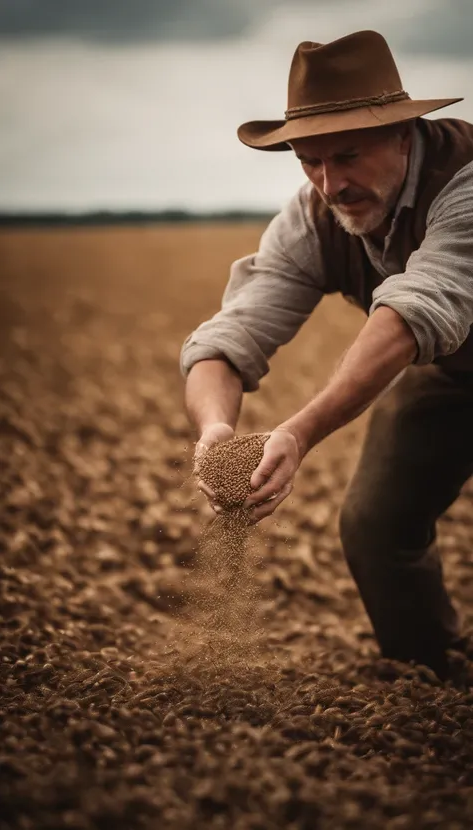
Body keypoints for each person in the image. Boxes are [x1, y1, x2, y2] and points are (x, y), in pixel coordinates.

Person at [180, 30, 473, 678]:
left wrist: (299, 431)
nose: (330, 184)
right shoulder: (312, 218)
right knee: (375, 524)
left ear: (404, 133)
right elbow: (231, 334)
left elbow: (415, 309)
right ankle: (429, 675)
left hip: (434, 341)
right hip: (455, 370)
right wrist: (216, 432)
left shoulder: (468, 181)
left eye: (347, 155)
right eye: (308, 161)